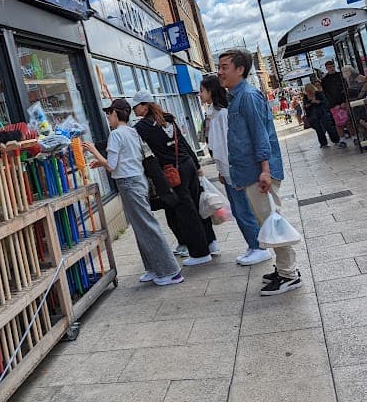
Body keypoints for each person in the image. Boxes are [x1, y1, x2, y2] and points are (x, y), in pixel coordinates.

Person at [218, 49, 301, 296]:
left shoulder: (248, 96)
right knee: (266, 221)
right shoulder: (236, 97)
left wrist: (265, 170)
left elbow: (260, 135)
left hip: (259, 174)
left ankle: (289, 275)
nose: (219, 72)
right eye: (219, 67)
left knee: (272, 221)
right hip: (250, 173)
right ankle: (284, 268)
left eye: (224, 67)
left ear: (240, 69)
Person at [82, 98, 183, 287]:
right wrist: (102, 162)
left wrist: (94, 151)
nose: (108, 118)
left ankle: (170, 271)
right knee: (141, 226)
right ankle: (153, 268)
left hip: (129, 183)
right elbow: (125, 160)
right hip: (137, 180)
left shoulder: (116, 134)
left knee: (146, 226)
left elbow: (112, 165)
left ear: (115, 113)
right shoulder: (131, 131)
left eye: (109, 114)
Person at [131, 90, 219, 267]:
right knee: (197, 204)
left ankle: (200, 253)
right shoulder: (168, 118)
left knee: (186, 212)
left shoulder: (142, 127)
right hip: (188, 165)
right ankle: (210, 243)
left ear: (145, 106)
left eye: (136, 106)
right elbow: (184, 143)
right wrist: (197, 165)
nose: (134, 110)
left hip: (173, 172)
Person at [199, 75, 270, 266]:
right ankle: (252, 244)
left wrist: (230, 170)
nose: (200, 94)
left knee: (243, 210)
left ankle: (259, 247)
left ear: (211, 91)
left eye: (202, 91)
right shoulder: (214, 114)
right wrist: (221, 171)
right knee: (238, 211)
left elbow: (228, 145)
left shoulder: (222, 114)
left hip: (233, 170)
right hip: (227, 170)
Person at [303, 83, 340, 148]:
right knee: (319, 130)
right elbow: (305, 106)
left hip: (322, 112)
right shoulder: (305, 97)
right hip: (313, 115)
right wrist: (308, 104)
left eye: (310, 91)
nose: (309, 93)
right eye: (307, 91)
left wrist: (317, 101)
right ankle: (323, 143)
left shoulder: (318, 94)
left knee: (328, 127)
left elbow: (325, 102)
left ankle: (335, 140)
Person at [321, 60, 349, 146]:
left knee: (348, 121)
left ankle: (354, 137)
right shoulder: (325, 80)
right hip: (333, 105)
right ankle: (342, 140)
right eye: (329, 67)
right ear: (326, 68)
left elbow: (346, 88)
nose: (332, 68)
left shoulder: (340, 75)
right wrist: (334, 104)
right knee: (338, 123)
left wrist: (344, 101)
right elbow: (326, 94)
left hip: (344, 102)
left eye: (333, 66)